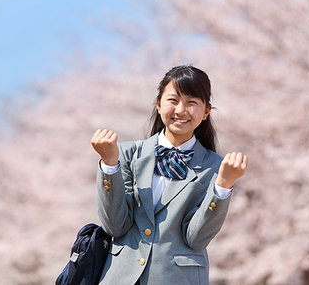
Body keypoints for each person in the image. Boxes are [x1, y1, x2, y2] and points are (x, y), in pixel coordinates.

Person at [91, 65, 248, 285]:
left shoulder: (216, 167)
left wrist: (223, 185)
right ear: (158, 104)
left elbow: (197, 238)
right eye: (173, 100)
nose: (181, 110)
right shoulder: (126, 155)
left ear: (206, 112)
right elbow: (114, 226)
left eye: (192, 102)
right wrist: (109, 166)